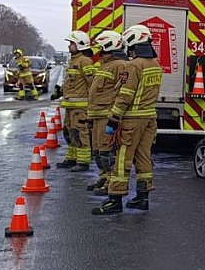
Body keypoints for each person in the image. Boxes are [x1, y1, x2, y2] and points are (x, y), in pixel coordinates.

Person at [92, 25, 162, 215]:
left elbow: (125, 95)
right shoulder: (155, 64)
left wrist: (113, 119)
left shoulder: (134, 65)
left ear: (133, 41)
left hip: (132, 120)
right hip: (149, 118)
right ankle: (142, 197)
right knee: (143, 157)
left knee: (122, 159)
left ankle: (115, 199)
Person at [86, 31, 129, 195]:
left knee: (107, 152)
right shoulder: (105, 65)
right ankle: (104, 177)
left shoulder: (120, 65)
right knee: (97, 152)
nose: (99, 52)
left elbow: (123, 90)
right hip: (98, 115)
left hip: (107, 116)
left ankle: (110, 181)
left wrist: (115, 116)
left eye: (102, 48)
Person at [56, 30, 96, 172]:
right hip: (70, 105)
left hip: (80, 106)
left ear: (79, 45)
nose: (69, 46)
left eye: (72, 43)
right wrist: (59, 90)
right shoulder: (74, 61)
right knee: (69, 132)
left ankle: (83, 162)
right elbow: (70, 82)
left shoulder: (85, 62)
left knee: (80, 132)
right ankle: (72, 158)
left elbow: (92, 83)